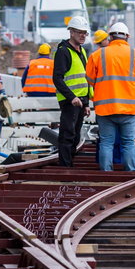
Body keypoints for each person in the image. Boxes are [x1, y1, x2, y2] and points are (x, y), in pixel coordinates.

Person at [86, 21, 135, 172]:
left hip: (105, 108)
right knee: (128, 142)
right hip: (128, 108)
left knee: (106, 143)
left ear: (110, 37)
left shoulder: (97, 55)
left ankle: (106, 173)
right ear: (127, 36)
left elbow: (90, 78)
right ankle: (130, 173)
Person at [53, 17, 92, 167]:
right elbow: (57, 78)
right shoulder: (63, 52)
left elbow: (84, 79)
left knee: (75, 136)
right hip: (70, 101)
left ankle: (70, 163)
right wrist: (72, 97)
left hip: (80, 100)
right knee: (67, 135)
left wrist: (86, 103)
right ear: (71, 32)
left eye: (85, 33)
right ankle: (65, 167)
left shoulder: (81, 50)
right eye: (80, 33)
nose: (83, 36)